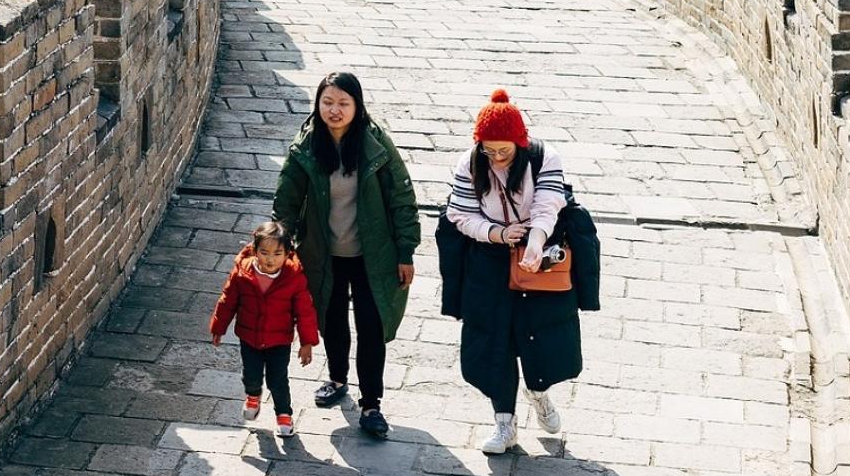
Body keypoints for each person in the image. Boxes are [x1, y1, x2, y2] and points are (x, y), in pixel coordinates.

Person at [272, 70, 420, 440]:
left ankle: (371, 404)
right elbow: (286, 202)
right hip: (324, 253)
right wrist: (280, 246)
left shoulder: (375, 146)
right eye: (327, 102)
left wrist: (406, 251)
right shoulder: (306, 146)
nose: (334, 111)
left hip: (374, 255)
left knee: (371, 325)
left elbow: (402, 200)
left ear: (357, 106)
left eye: (343, 103)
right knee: (331, 318)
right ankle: (337, 379)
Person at [443, 88, 581, 454]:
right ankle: (504, 422)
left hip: (540, 253)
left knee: (542, 334)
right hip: (488, 259)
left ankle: (538, 392)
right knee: (493, 340)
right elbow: (459, 214)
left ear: (520, 142)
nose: (497, 158)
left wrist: (534, 242)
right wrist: (497, 233)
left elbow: (549, 204)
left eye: (504, 150)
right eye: (489, 150)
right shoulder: (469, 163)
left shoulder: (543, 158)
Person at [210, 219, 318, 437]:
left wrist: (307, 342)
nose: (270, 259)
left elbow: (305, 312)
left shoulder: (293, 278)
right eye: (264, 252)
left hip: (279, 340)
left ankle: (284, 414)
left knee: (277, 379)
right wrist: (219, 326)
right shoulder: (242, 273)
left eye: (277, 254)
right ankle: (253, 395)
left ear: (288, 253)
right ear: (255, 250)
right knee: (251, 374)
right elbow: (227, 300)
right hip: (249, 337)